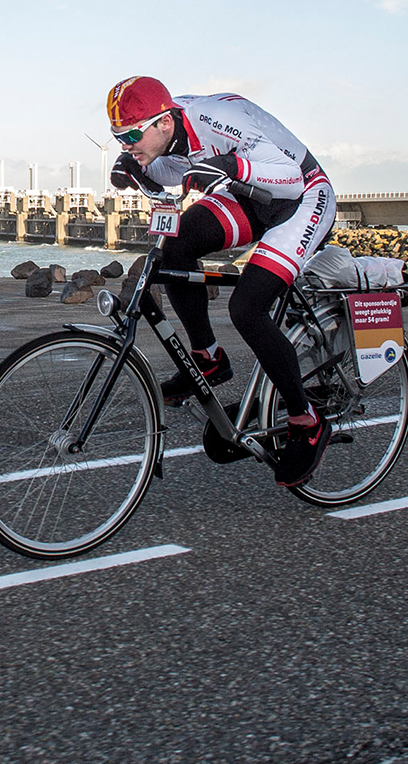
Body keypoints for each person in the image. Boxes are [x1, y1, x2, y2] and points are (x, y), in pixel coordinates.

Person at [105, 76, 336, 487]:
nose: (126, 143)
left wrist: (231, 165)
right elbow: (172, 174)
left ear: (163, 122)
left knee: (246, 309)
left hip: (302, 197)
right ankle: (208, 359)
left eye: (132, 135)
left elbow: (292, 179)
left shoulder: (215, 117)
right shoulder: (168, 135)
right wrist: (141, 173)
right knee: (174, 250)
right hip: (246, 195)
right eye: (118, 136)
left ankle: (307, 420)